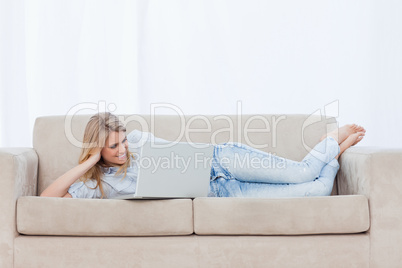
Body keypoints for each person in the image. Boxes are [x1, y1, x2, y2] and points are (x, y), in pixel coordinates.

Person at [40, 112, 365, 199]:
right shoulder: (95, 186)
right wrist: (88, 163)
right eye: (114, 148)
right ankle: (333, 149)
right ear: (98, 151)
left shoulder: (137, 140)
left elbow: (175, 153)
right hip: (220, 191)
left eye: (122, 141)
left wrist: (125, 147)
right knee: (319, 189)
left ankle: (330, 140)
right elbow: (46, 198)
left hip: (220, 159)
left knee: (302, 173)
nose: (123, 149)